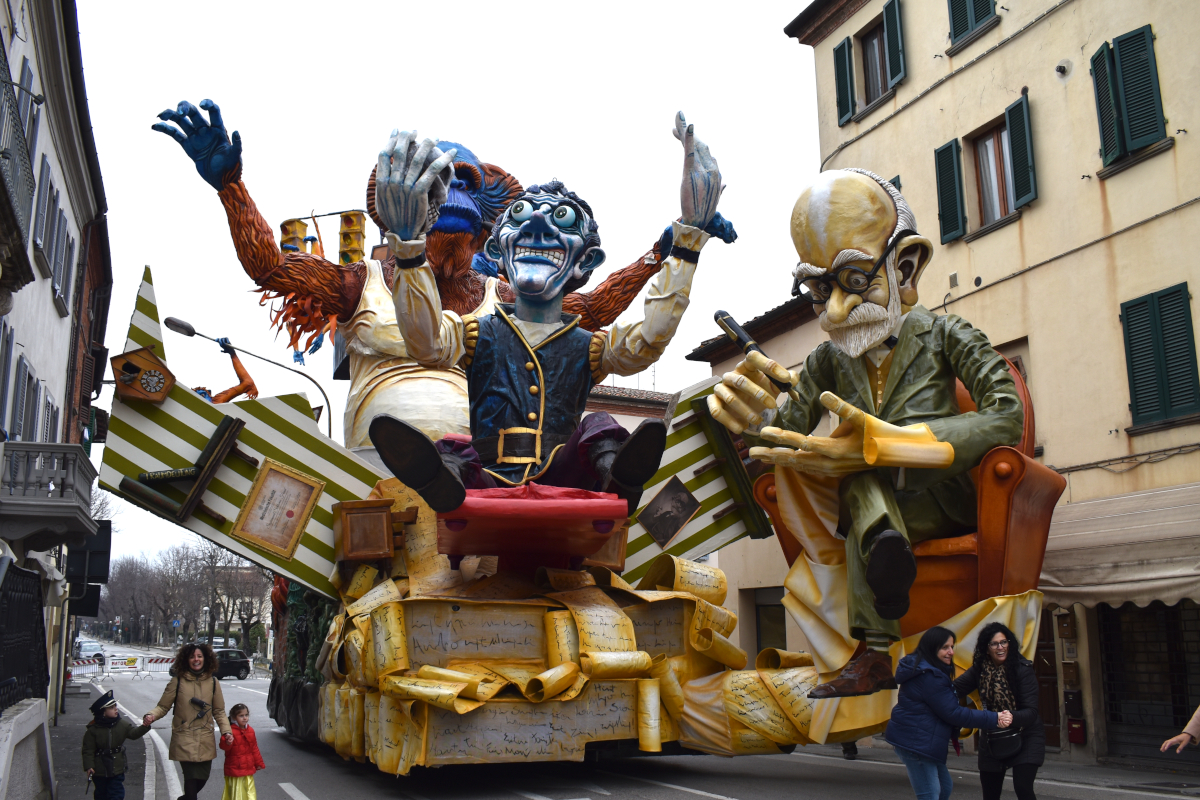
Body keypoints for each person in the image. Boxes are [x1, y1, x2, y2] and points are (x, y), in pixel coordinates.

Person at [706, 169, 1023, 697]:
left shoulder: (947, 334)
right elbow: (792, 432)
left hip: (938, 497)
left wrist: (889, 443)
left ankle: (874, 647)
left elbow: (1005, 414)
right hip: (873, 506)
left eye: (854, 281)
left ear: (904, 266)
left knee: (862, 474)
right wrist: (761, 421)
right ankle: (883, 570)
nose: (833, 311)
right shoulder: (830, 358)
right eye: (818, 289)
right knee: (862, 482)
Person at [371, 113, 730, 516]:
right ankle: (443, 481)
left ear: (586, 260)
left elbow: (646, 343)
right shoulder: (475, 333)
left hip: (566, 479)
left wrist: (687, 244)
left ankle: (616, 476)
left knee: (599, 426)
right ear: (497, 252)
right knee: (454, 447)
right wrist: (406, 244)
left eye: (561, 220)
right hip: (491, 479)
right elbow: (425, 341)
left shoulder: (588, 346)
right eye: (522, 217)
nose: (537, 224)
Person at [886, 626, 1012, 800]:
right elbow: (953, 713)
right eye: (945, 647)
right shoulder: (930, 676)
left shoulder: (928, 669)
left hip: (921, 739)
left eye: (952, 647)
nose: (951, 652)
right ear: (932, 647)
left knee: (944, 788)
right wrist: (995, 718)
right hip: (916, 742)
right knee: (930, 794)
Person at [953, 622, 1045, 799]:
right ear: (986, 648)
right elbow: (954, 690)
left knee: (1023, 787)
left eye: (1004, 642)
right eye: (994, 644)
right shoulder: (980, 670)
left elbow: (1031, 711)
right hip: (993, 736)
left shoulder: (1022, 669)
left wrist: (1010, 717)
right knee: (990, 794)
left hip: (1026, 734)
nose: (1000, 647)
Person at [143, 643, 233, 800]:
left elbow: (219, 711)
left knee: (203, 778)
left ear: (206, 659)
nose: (196, 660)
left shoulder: (213, 683)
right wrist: (151, 715)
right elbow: (162, 706)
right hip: (184, 737)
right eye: (192, 657)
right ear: (186, 659)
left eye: (199, 656)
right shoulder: (177, 681)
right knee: (191, 780)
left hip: (205, 739)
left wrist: (227, 731)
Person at [82, 690, 151, 800]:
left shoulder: (121, 724)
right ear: (103, 712)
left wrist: (145, 726)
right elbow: (88, 750)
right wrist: (89, 766)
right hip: (99, 769)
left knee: (116, 793)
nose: (115, 709)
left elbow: (133, 734)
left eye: (115, 706)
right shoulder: (93, 730)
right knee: (101, 794)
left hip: (117, 767)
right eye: (111, 707)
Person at [219, 703, 265, 800]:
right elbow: (224, 747)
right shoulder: (230, 731)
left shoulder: (250, 730)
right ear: (234, 718)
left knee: (250, 793)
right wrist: (227, 741)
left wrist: (258, 763)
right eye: (241, 716)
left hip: (248, 768)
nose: (244, 718)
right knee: (237, 794)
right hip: (235, 769)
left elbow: (254, 748)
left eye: (246, 715)